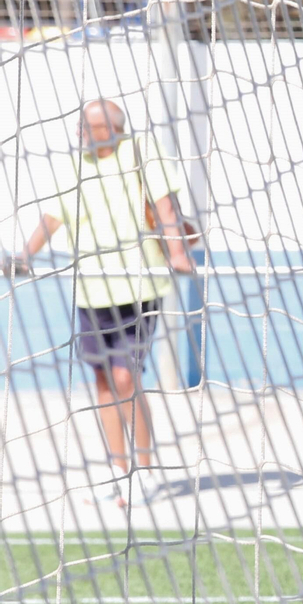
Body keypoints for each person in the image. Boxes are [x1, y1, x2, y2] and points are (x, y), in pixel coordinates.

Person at [6, 100, 195, 507]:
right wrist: (26, 255)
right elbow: (53, 217)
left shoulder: (142, 151)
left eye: (86, 127)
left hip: (139, 287)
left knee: (126, 377)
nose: (79, 133)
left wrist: (178, 253)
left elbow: (165, 206)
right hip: (93, 291)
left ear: (110, 128)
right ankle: (118, 471)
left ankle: (144, 471)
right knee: (104, 381)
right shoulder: (76, 166)